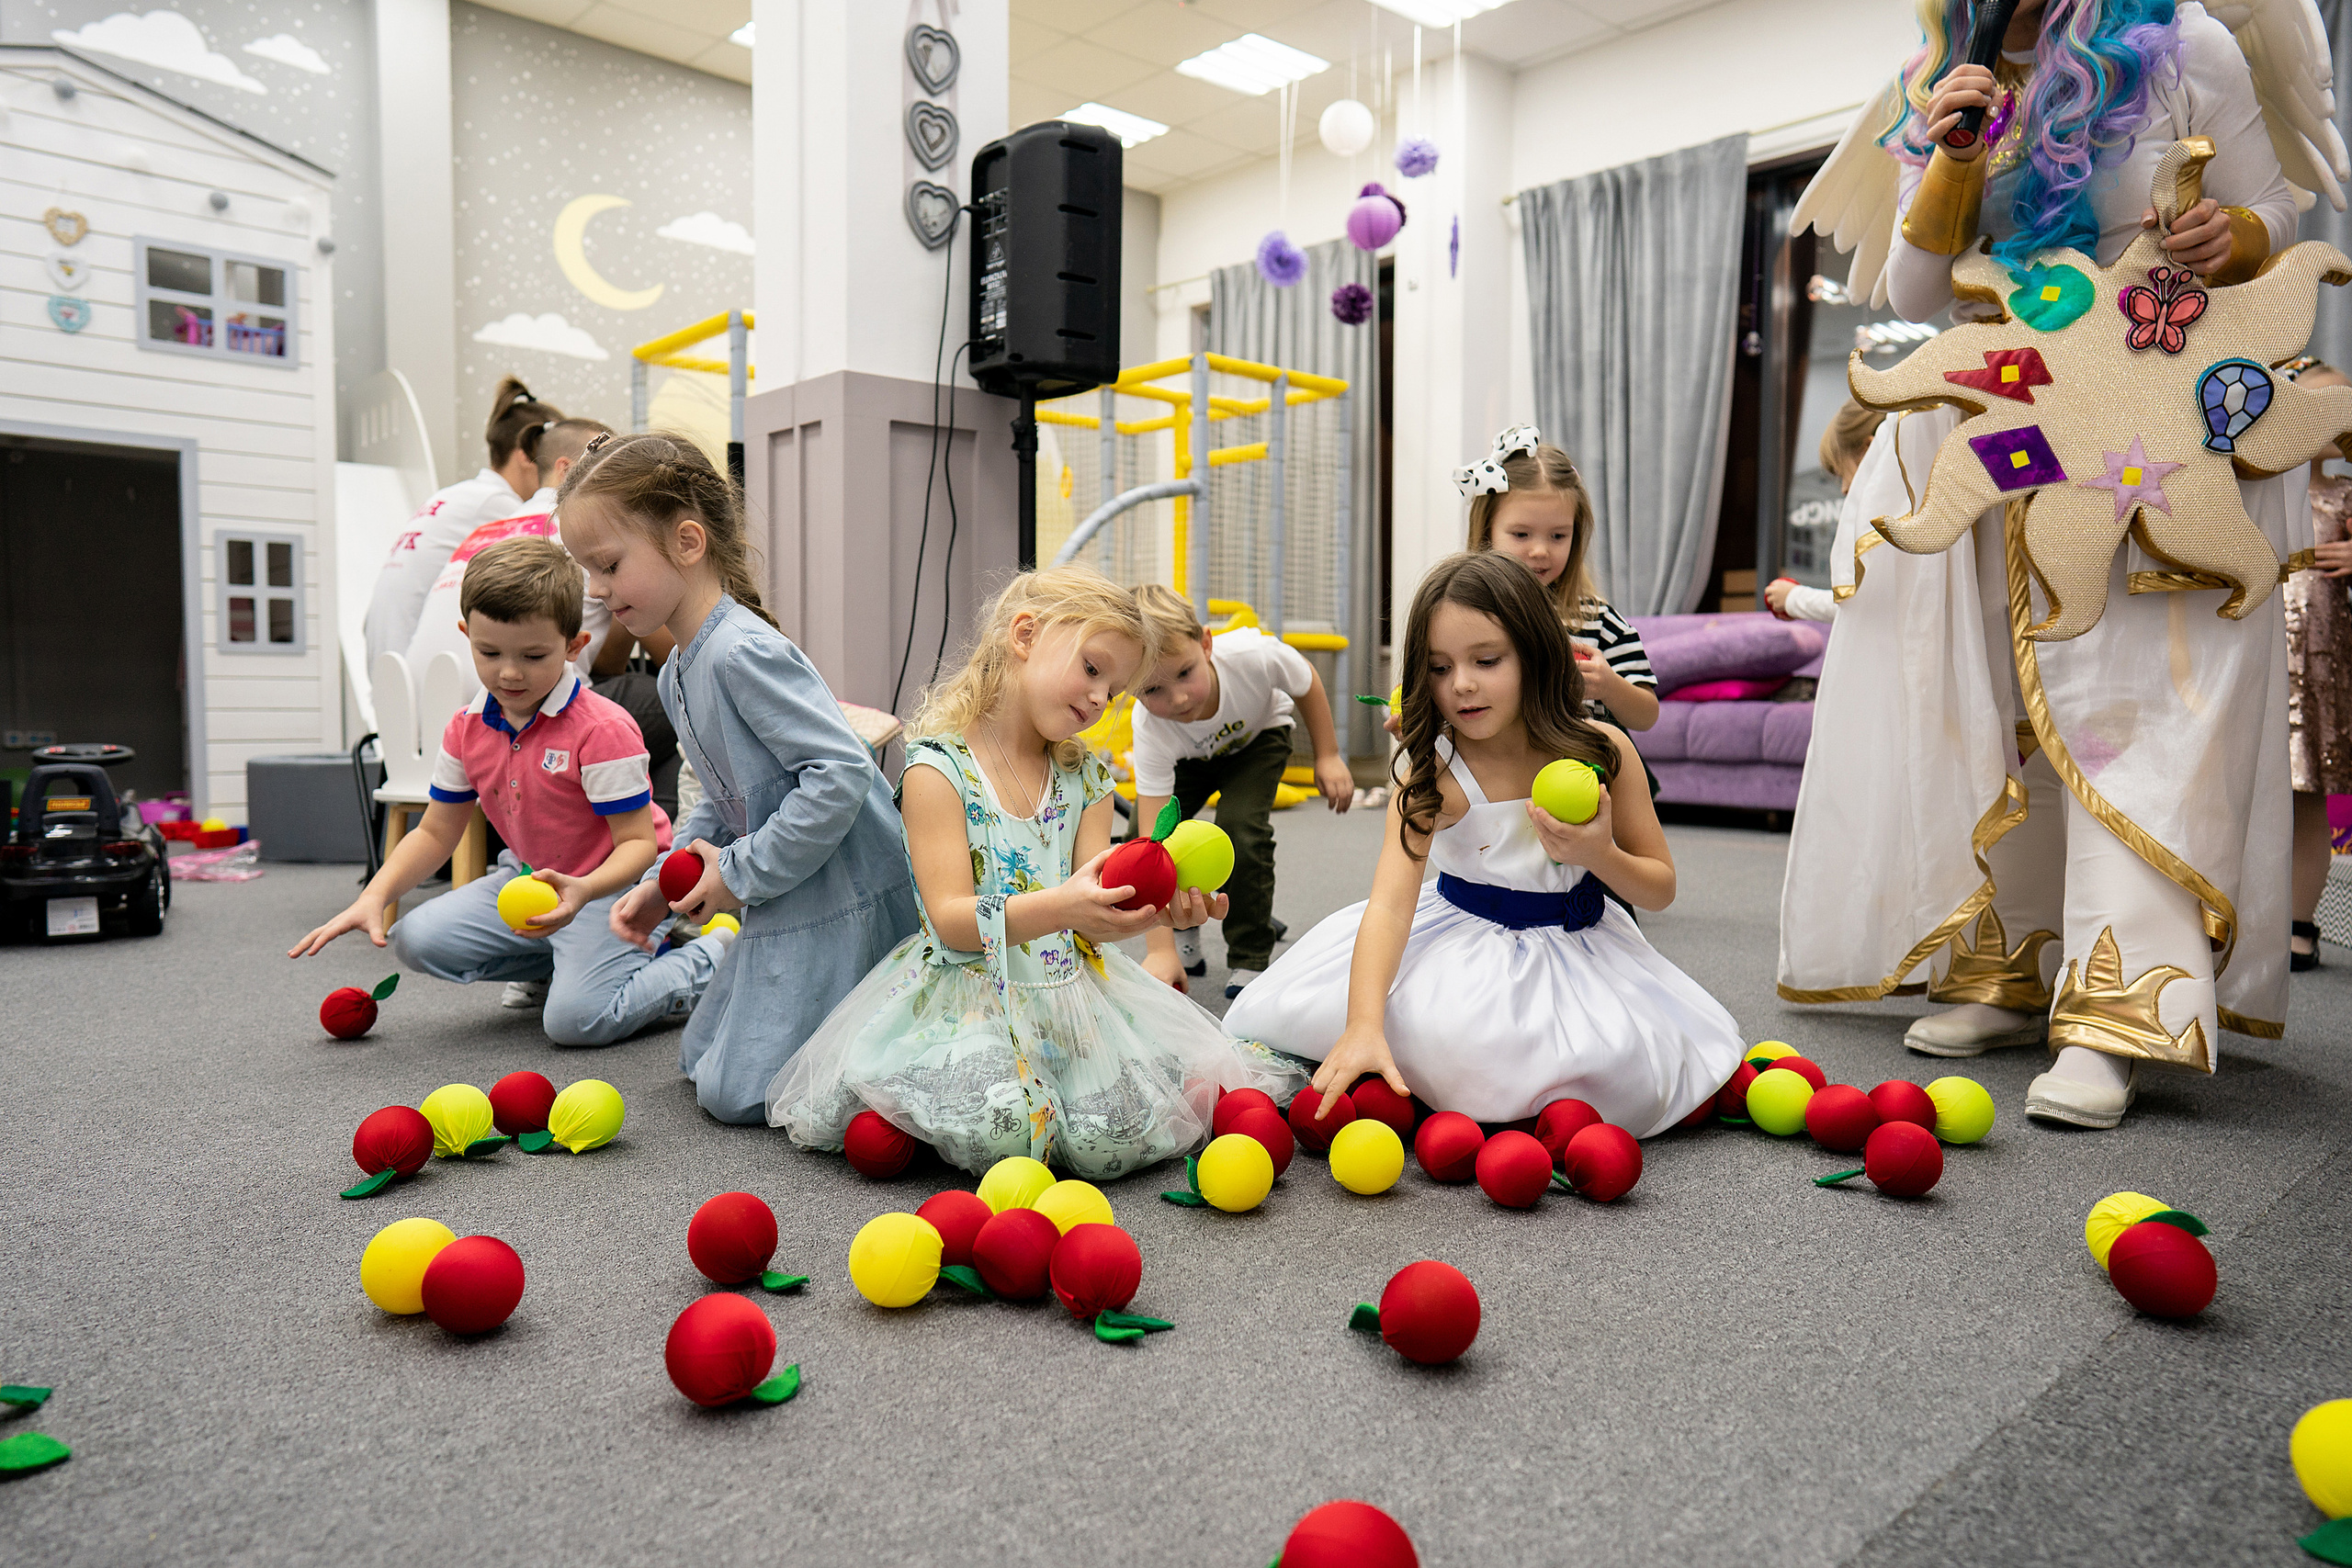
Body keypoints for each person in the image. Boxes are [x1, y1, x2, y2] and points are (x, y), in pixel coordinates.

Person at [1782, 0, 2317, 1127]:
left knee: (2132, 706)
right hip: (2008, 413)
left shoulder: (2184, 43)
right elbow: (1916, 293)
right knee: (2006, 698)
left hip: (2149, 413)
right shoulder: (1938, 74)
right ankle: (2012, 963)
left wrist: (2234, 236)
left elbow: (2278, 206)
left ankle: (2117, 1005)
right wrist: (1951, 155)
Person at [765, 565, 1304, 1179]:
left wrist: (1155, 915)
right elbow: (950, 921)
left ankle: (938, 1119)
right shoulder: (938, 770)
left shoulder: (1087, 780)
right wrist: (1065, 907)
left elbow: (1091, 918)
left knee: (1108, 1139)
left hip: (1068, 992)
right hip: (969, 995)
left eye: (1113, 691)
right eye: (1093, 669)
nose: (1099, 699)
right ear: (1025, 635)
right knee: (1005, 1128)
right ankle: (916, 1107)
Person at [1224, 552, 1745, 1135]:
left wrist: (1598, 855)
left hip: (1582, 950)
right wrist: (1363, 1023)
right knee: (1447, 1037)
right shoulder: (1432, 775)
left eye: (1487, 660)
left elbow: (1660, 889)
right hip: (1460, 946)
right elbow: (1390, 906)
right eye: (1439, 668)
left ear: (1535, 654)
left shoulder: (1604, 750)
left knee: (1624, 1062)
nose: (1462, 685)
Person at [556, 433, 921, 1126]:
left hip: (842, 895)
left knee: (738, 1095)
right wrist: (665, 883)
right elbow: (726, 803)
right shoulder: (677, 671)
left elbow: (841, 773)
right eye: (589, 572)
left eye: (608, 565)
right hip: (786, 887)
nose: (596, 590)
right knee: (700, 1060)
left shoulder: (741, 652)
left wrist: (738, 872)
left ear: (688, 542)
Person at [290, 537, 727, 1045]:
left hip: (614, 890)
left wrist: (583, 890)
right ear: (466, 636)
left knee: (574, 1023)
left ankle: (710, 957)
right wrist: (376, 895)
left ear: (574, 647)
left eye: (533, 655)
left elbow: (639, 844)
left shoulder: (601, 728)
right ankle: (558, 962)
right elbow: (435, 832)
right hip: (529, 881)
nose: (509, 672)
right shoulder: (466, 726)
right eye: (489, 652)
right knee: (415, 939)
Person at [1126, 584, 1353, 998]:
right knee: (1142, 844)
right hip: (1189, 762)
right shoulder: (1151, 727)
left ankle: (1249, 954)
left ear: (1206, 644)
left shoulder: (1253, 656)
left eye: (1185, 673)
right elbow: (1152, 841)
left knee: (1240, 829)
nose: (1178, 698)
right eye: (1152, 690)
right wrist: (1160, 950)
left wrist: (1329, 755)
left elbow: (1305, 680)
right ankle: (1185, 927)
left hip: (1257, 741)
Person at [1459, 426, 1658, 731]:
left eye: (1558, 536)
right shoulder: (1461, 617)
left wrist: (1609, 686)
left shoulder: (1597, 621)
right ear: (1486, 530)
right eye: (1521, 534)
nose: (1541, 551)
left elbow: (1647, 716)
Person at [363, 377, 558, 669]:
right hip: (423, 668)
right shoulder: (497, 505)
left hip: (386, 666)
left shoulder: (458, 495)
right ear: (526, 457)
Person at [403, 418, 616, 682]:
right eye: (609, 471)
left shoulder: (485, 531)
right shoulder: (590, 528)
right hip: (522, 695)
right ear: (567, 470)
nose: (618, 483)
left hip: (423, 695)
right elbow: (613, 661)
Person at [2283, 358, 2352, 970]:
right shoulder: (2255, 495)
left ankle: (2299, 922)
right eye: (2321, 406)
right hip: (2261, 661)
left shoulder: (2346, 496)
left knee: (2308, 794)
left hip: (2321, 667)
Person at [1765, 401, 1885, 622]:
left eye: (1842, 474)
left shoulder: (1884, 523)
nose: (1844, 489)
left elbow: (1858, 606)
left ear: (1867, 451)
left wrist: (1793, 599)